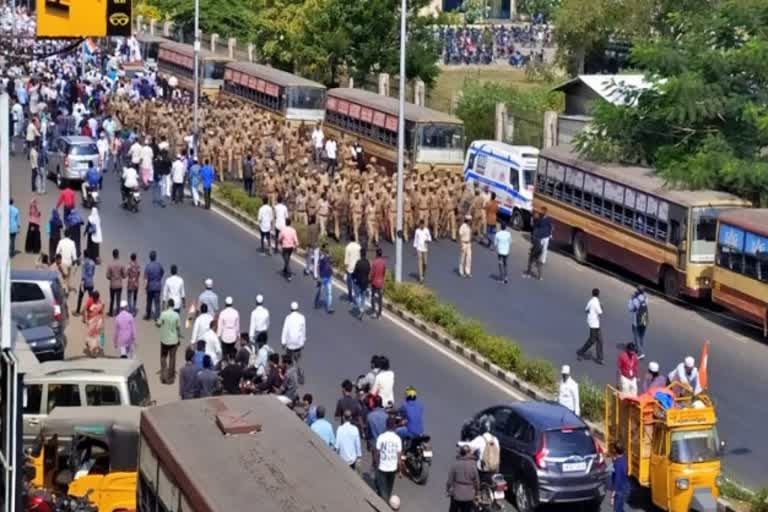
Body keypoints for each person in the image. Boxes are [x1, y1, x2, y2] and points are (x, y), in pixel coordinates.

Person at [374, 417, 403, 502]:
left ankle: (384, 504)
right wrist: (400, 471)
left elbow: (377, 454)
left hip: (382, 468)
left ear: (386, 426)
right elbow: (399, 457)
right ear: (394, 426)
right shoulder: (397, 439)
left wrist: (376, 465)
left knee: (383, 490)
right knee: (389, 489)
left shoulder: (381, 437)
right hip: (393, 469)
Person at [446, 444, 480, 512]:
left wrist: (448, 489)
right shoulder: (473, 465)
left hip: (456, 494)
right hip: (469, 496)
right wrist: (477, 492)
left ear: (461, 453)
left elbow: (450, 480)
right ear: (470, 453)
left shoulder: (455, 464)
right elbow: (477, 482)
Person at [157, 299, 182, 384]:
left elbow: (159, 324)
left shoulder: (163, 313)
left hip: (164, 340)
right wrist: (178, 338)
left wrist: (158, 323)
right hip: (173, 340)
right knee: (172, 358)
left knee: (163, 357)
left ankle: (163, 376)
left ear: (168, 305)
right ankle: (170, 378)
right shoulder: (176, 315)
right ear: (174, 306)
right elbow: (178, 328)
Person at [577, 288, 604, 365]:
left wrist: (591, 313)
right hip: (594, 324)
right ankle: (581, 352)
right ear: (598, 294)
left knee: (600, 340)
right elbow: (600, 313)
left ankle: (600, 358)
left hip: (593, 322)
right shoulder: (596, 302)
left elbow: (586, 310)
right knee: (592, 340)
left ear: (592, 294)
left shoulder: (591, 301)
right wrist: (601, 307)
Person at [82, 289, 105, 357]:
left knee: (97, 334)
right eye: (95, 298)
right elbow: (85, 309)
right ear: (93, 297)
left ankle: (94, 348)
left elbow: (102, 311)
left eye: (97, 298)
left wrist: (102, 319)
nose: (96, 299)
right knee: (92, 335)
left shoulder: (99, 301)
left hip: (98, 320)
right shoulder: (89, 300)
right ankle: (93, 349)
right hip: (91, 320)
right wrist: (85, 319)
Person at [628, 287, 649, 358]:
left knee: (636, 337)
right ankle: (639, 349)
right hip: (644, 320)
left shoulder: (635, 300)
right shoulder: (646, 298)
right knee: (641, 337)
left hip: (636, 321)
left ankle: (640, 353)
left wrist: (631, 298)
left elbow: (630, 308)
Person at [143, 250, 164, 321]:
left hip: (150, 287)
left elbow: (146, 279)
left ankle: (148, 316)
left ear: (150, 257)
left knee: (149, 302)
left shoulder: (148, 266)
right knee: (157, 302)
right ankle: (157, 317)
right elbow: (162, 272)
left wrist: (145, 287)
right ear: (155, 257)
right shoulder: (159, 265)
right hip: (157, 286)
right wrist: (159, 278)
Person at [315, 244, 334, 314]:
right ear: (326, 252)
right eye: (328, 252)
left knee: (329, 293)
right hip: (323, 278)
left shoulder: (330, 258)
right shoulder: (322, 258)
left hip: (329, 277)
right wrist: (318, 277)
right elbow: (318, 267)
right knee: (320, 292)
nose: (329, 254)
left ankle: (329, 307)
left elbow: (331, 265)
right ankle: (316, 302)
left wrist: (332, 272)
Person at [106, 248, 126, 316]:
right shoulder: (121, 264)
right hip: (119, 285)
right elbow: (124, 275)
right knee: (118, 299)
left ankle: (111, 313)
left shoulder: (110, 264)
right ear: (118, 255)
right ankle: (118, 312)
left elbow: (107, 276)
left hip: (112, 285)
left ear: (113, 255)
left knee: (112, 300)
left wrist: (112, 278)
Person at [352, 248, 371, 319]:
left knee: (357, 296)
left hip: (358, 282)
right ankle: (362, 307)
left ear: (360, 254)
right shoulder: (367, 262)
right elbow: (369, 271)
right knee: (363, 296)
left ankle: (361, 309)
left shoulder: (358, 262)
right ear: (365, 254)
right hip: (365, 282)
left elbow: (355, 272)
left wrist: (353, 278)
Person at [611, 442, 629, 512]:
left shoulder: (617, 464)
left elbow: (617, 479)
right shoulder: (623, 459)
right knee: (620, 508)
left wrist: (613, 494)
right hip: (624, 486)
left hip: (619, 490)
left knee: (617, 509)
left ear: (615, 451)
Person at [369, 247, 386, 319]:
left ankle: (373, 311)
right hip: (381, 282)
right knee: (380, 298)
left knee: (373, 297)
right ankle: (379, 313)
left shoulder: (374, 262)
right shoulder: (383, 262)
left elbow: (372, 273)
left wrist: (370, 279)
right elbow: (384, 272)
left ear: (376, 254)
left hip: (374, 282)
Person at [344, 238, 361, 302]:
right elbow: (360, 257)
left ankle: (350, 296)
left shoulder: (348, 247)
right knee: (356, 283)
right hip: (357, 268)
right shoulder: (358, 247)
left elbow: (346, 259)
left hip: (350, 268)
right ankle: (357, 297)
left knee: (349, 283)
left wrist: (345, 267)